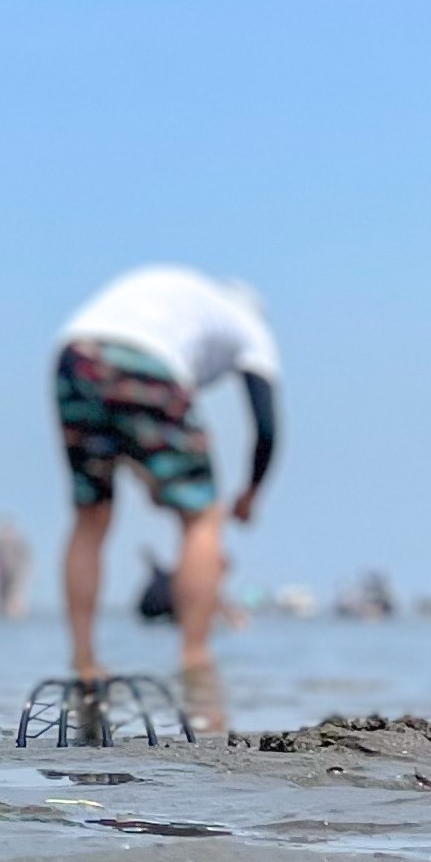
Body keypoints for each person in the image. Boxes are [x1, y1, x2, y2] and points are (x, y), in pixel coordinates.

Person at [52, 265, 280, 729]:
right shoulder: (251, 328)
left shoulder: (186, 300)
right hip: (147, 362)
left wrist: (150, 472)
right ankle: (195, 659)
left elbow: (129, 428)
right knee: (202, 518)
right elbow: (267, 425)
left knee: (91, 515)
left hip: (75, 352)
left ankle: (83, 661)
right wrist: (250, 493)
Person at [0, 517, 32, 620]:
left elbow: (25, 557)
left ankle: (14, 611)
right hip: (2, 574)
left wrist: (25, 572)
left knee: (14, 595)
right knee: (1, 597)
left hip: (16, 572)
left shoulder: (17, 541)